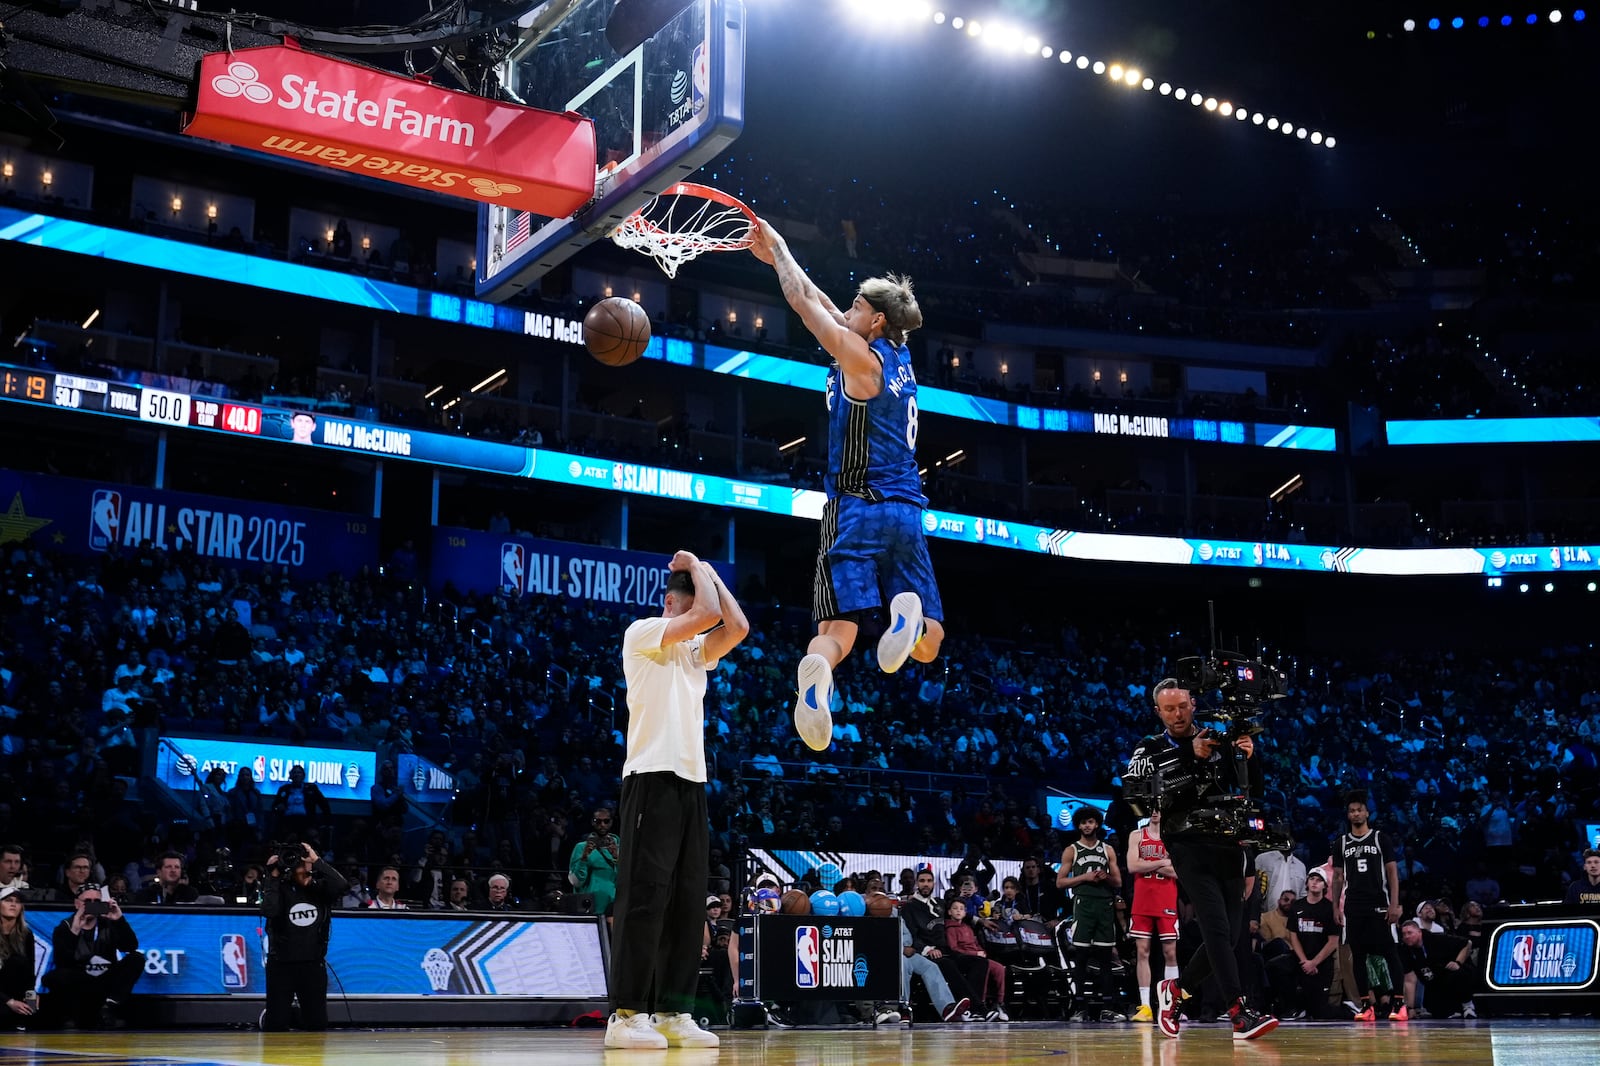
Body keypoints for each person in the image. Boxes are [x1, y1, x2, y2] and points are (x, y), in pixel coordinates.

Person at [750, 222, 945, 752]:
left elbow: (804, 305)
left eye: (856, 306)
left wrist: (783, 248)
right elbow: (820, 301)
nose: (847, 310)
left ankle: (819, 669)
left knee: (838, 627)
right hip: (907, 511)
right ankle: (907, 611)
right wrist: (778, 260)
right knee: (931, 643)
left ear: (876, 320)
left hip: (855, 507)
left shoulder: (859, 362)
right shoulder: (898, 358)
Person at [606, 550, 748, 1050]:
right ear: (671, 604)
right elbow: (708, 615)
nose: (697, 623)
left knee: (688, 903)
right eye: (687, 609)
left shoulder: (694, 652)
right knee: (645, 897)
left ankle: (672, 1010)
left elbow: (737, 625)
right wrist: (695, 565)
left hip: (692, 781)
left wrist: (707, 572)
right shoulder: (643, 632)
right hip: (650, 777)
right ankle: (626, 1014)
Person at [1123, 677, 1278, 1041]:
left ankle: (1176, 990)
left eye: (1182, 706)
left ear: (1194, 704)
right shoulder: (1150, 747)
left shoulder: (1217, 738)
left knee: (1231, 935)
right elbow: (1136, 789)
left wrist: (1250, 757)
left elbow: (1253, 793)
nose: (1177, 714)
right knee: (1217, 930)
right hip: (1188, 846)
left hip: (1230, 846)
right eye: (1169, 709)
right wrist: (1188, 755)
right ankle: (1239, 1014)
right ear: (1157, 711)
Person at [1328, 791, 1406, 1022]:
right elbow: (1338, 877)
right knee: (1358, 956)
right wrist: (1335, 907)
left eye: (1359, 809)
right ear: (1348, 815)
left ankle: (1399, 1003)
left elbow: (1392, 872)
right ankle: (1365, 1005)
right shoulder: (1341, 842)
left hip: (1379, 904)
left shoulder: (1381, 838)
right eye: (1352, 810)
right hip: (1354, 905)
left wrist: (1394, 903)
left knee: (1390, 953)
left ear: (1367, 813)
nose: (1355, 814)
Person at [260, 841, 347, 1031]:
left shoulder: (321, 889)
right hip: (281, 963)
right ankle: (277, 1015)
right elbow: (269, 910)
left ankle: (294, 1016)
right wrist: (272, 876)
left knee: (317, 1024)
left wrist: (317, 861)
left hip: (312, 963)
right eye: (295, 862)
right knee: (276, 1025)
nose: (299, 865)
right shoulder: (279, 887)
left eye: (303, 861)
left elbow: (341, 885)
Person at [1057, 805, 1124, 1021]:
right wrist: (1084, 878)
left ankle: (1108, 1008)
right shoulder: (1071, 850)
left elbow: (1118, 882)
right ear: (1078, 825)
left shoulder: (1107, 850)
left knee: (1105, 959)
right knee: (1082, 957)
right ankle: (1080, 1008)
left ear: (1097, 824)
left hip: (1104, 906)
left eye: (1091, 822)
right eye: (1083, 822)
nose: (1087, 825)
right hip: (1083, 904)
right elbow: (1060, 882)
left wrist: (1105, 877)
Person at [44, 883, 142, 1029]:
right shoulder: (64, 927)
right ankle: (70, 1015)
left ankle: (109, 1006)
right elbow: (62, 962)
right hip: (79, 983)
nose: (92, 905)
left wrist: (119, 920)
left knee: (136, 959)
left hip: (104, 981)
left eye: (97, 902)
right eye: (87, 902)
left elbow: (130, 947)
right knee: (54, 977)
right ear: (77, 904)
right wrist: (75, 931)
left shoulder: (108, 924)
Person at [1126, 811, 1180, 1022]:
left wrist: (1146, 862)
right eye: (1153, 808)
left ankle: (1172, 1006)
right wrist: (1162, 863)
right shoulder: (1136, 835)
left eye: (1160, 808)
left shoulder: (1173, 838)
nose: (1157, 813)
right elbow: (1132, 866)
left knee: (1170, 952)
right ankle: (1146, 1006)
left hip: (1166, 899)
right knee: (1142, 951)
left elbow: (1178, 872)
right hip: (1142, 899)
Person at [1277, 870, 1341, 1020]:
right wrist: (1304, 961)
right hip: (1301, 959)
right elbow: (1294, 936)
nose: (1314, 882)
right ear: (1306, 883)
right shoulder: (1297, 906)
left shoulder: (1330, 909)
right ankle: (1291, 1007)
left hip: (1322, 963)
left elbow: (1333, 942)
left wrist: (1313, 963)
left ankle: (1348, 1010)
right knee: (1276, 966)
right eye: (1312, 878)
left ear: (1325, 886)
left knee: (1319, 1012)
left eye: (1319, 880)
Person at [942, 899, 1008, 1021]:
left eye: (961, 909)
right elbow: (954, 948)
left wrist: (981, 952)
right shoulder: (950, 928)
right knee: (983, 966)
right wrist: (974, 953)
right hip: (964, 958)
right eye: (955, 908)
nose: (958, 911)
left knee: (999, 968)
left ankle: (999, 1003)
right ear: (949, 912)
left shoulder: (968, 927)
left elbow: (975, 943)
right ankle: (979, 1005)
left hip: (978, 956)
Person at [898, 917, 971, 1023]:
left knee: (930, 966)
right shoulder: (871, 915)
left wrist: (903, 946)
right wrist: (900, 947)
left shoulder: (895, 913)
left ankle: (946, 1008)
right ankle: (904, 1009)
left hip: (905, 951)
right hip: (891, 952)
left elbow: (907, 936)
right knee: (903, 964)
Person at [1398, 919, 1476, 1018]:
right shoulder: (1406, 951)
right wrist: (1410, 1008)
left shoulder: (1437, 939)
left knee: (1457, 973)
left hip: (1454, 973)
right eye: (1404, 934)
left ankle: (1468, 1006)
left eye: (1409, 933)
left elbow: (1467, 943)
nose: (1406, 936)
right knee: (1437, 1012)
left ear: (1419, 932)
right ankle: (1452, 1009)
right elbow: (1410, 980)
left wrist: (1458, 962)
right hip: (1436, 981)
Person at [570, 807, 621, 918]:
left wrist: (617, 859)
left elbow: (625, 880)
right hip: (588, 908)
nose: (602, 825)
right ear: (592, 822)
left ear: (611, 822)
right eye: (598, 821)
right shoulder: (581, 847)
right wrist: (584, 858)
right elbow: (575, 881)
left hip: (614, 907)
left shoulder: (619, 848)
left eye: (606, 821)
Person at [0, 886, 40, 1029]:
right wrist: (9, 1001)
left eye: (17, 902)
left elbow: (30, 971)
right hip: (3, 998)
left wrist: (31, 995)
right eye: (8, 900)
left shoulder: (26, 935)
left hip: (17, 995)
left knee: (40, 1014)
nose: (13, 904)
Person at [134, 851, 198, 905]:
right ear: (159, 872)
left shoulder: (190, 893)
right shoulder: (144, 895)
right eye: (168, 867)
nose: (173, 870)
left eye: (177, 867)